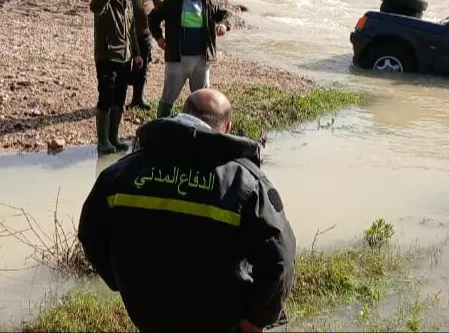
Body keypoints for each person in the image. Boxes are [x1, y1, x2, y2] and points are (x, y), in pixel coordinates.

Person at [77, 88, 296, 333]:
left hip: (149, 316)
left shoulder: (120, 174)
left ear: (181, 115)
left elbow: (90, 234)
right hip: (222, 321)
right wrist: (257, 318)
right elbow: (280, 257)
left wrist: (122, 281)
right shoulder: (245, 182)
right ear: (228, 128)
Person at [148, 0, 232, 119]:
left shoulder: (208, 3)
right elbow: (153, 17)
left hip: (201, 60)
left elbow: (226, 15)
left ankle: (199, 127)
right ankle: (162, 124)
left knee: (202, 99)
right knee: (168, 97)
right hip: (176, 59)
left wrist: (224, 25)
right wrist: (159, 38)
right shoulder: (171, 3)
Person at [90, 0, 144, 154]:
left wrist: (137, 54)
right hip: (107, 58)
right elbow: (94, 7)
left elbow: (132, 30)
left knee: (119, 99)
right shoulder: (105, 1)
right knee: (106, 97)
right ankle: (103, 141)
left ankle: (114, 137)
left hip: (125, 59)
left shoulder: (128, 2)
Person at [126, 0, 164, 110]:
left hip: (146, 31)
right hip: (126, 32)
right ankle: (120, 97)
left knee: (144, 65)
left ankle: (139, 97)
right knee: (125, 64)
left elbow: (159, 4)